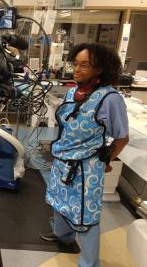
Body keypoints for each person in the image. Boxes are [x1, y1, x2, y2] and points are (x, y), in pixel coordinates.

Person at [39, 43, 129, 267]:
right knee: (59, 203)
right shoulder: (73, 91)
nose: (77, 70)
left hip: (86, 168)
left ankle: (89, 263)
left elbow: (122, 138)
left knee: (85, 217)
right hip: (62, 161)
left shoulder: (110, 99)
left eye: (85, 65)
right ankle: (64, 238)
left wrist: (105, 160)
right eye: (76, 64)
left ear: (99, 69)